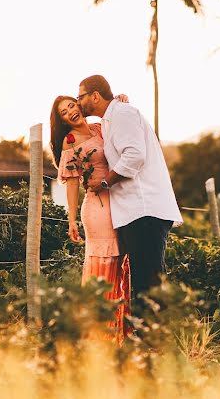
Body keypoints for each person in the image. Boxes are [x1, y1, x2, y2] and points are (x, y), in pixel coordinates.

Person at [77, 75, 183, 316]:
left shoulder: (123, 114)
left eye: (80, 96)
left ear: (95, 96)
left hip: (144, 208)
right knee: (143, 280)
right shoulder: (112, 118)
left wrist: (105, 182)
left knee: (149, 282)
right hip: (134, 211)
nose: (78, 101)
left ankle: (154, 342)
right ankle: (149, 339)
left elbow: (135, 155)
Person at [49, 94, 130, 342]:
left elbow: (119, 131)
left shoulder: (99, 127)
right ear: (62, 120)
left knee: (120, 263)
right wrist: (71, 220)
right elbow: (72, 184)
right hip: (97, 207)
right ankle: (99, 333)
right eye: (64, 112)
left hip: (118, 202)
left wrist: (119, 103)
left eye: (72, 105)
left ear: (80, 104)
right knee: (103, 266)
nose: (71, 111)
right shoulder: (69, 142)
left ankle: (119, 332)